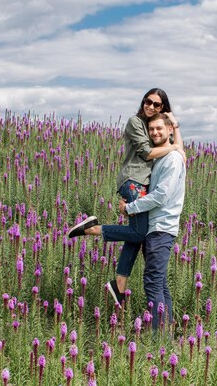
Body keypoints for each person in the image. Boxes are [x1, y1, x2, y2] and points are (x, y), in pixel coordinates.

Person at [67, 89, 184, 308]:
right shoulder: (135, 122)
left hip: (142, 184)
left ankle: (119, 283)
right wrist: (175, 145)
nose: (150, 106)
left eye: (157, 105)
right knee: (140, 232)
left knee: (137, 236)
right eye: (148, 102)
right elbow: (148, 153)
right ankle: (93, 229)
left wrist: (175, 129)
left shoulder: (157, 131)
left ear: (163, 109)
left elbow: (174, 147)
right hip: (133, 181)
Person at [118, 113, 186, 331]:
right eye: (151, 129)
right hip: (155, 228)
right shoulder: (162, 157)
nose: (155, 132)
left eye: (159, 128)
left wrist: (130, 208)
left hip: (161, 229)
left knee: (153, 283)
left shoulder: (173, 159)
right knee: (160, 284)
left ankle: (159, 339)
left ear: (168, 130)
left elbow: (160, 196)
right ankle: (165, 333)